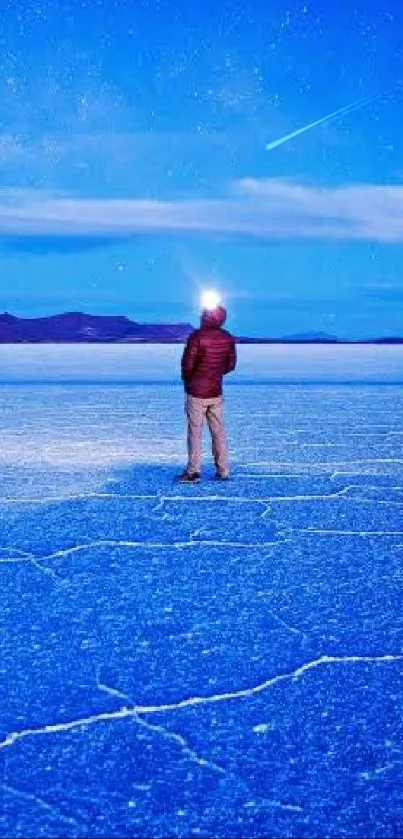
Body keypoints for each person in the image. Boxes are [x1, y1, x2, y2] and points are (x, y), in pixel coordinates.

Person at [178, 304, 237, 483]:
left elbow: (187, 365)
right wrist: (214, 374)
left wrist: (190, 379)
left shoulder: (197, 337)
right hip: (215, 392)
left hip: (196, 392)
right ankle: (223, 470)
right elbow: (230, 365)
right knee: (218, 431)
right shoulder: (228, 338)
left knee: (195, 433)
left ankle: (193, 471)